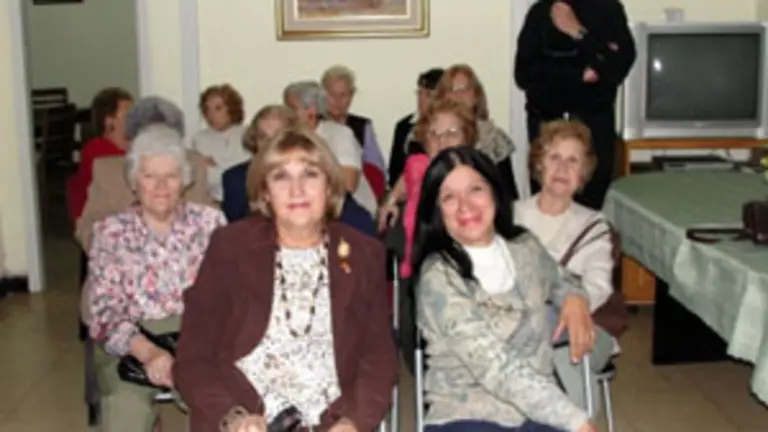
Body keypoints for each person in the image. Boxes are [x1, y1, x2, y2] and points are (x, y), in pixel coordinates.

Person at [174, 128, 397, 431]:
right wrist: (233, 415)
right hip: (247, 413)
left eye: (310, 174)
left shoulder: (362, 253)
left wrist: (353, 421)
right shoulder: (230, 247)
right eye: (281, 177)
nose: (297, 190)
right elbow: (193, 356)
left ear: (330, 187)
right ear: (265, 191)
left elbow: (378, 355)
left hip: (329, 419)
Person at [412, 146, 597, 432]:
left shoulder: (525, 248)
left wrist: (574, 297)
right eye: (449, 197)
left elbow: (563, 279)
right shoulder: (438, 276)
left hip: (538, 413)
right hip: (467, 414)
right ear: (437, 211)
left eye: (475, 189)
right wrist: (574, 420)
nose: (465, 206)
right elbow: (495, 366)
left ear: (495, 193)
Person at [84, 124, 227, 432]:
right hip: (131, 340)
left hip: (199, 337)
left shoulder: (211, 224)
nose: (161, 186)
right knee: (126, 410)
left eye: (171, 176)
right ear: (135, 182)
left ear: (184, 181)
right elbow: (105, 311)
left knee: (219, 406)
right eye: (150, 175)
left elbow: (229, 299)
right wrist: (149, 353)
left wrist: (194, 351)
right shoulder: (111, 232)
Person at [514, 120, 621, 412]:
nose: (562, 168)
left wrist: (565, 306)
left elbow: (598, 287)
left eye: (573, 160)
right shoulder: (511, 217)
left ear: (583, 172)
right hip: (517, 325)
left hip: (584, 325)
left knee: (565, 353)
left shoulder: (593, 225)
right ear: (539, 165)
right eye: (554, 157)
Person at [515, 0, 635, 210]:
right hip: (547, 127)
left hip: (595, 129)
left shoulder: (609, 10)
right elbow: (524, 75)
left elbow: (619, 63)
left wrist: (578, 32)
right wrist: (580, 74)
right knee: (548, 207)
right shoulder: (541, 12)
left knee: (592, 208)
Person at [75, 96, 216, 250]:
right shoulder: (107, 170)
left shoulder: (194, 164)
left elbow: (212, 221)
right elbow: (88, 226)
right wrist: (117, 250)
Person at [221, 104, 375, 236]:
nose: (270, 144)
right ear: (254, 140)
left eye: (277, 136)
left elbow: (360, 222)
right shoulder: (235, 179)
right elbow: (238, 232)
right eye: (263, 137)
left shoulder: (317, 171)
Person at [284, 80, 378, 216]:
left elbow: (348, 185)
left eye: (291, 109)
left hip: (348, 212)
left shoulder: (340, 134)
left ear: (311, 110)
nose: (286, 115)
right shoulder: (289, 138)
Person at [434, 64, 519, 202]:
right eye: (452, 90)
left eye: (464, 89)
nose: (458, 95)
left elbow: (508, 193)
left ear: (475, 96)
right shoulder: (429, 134)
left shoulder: (494, 139)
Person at [67, 87, 134, 223]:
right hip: (103, 218)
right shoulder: (97, 150)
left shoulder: (132, 146)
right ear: (109, 121)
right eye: (128, 115)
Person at [322, 65, 387, 201]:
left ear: (352, 95)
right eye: (332, 95)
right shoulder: (315, 125)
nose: (337, 101)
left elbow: (377, 171)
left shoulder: (362, 126)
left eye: (343, 95)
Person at [191, 84, 250, 202]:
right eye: (207, 110)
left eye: (218, 108)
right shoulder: (200, 138)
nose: (211, 115)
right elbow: (208, 179)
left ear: (231, 108)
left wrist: (217, 164)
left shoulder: (247, 134)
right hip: (215, 201)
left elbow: (246, 175)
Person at [389, 67, 444, 188]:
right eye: (419, 93)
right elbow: (394, 172)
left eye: (429, 95)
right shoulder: (404, 126)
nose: (421, 99)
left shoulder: (450, 127)